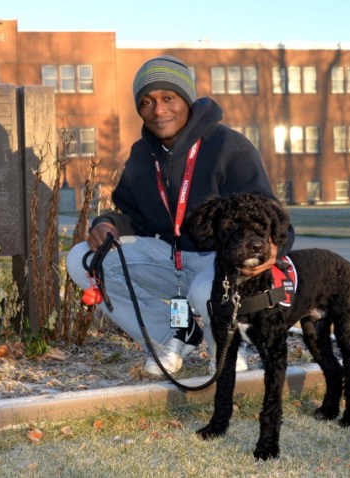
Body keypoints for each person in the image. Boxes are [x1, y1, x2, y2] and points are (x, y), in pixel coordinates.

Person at [66, 55, 295, 376]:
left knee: (205, 292)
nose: (158, 110)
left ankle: (226, 347)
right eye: (146, 102)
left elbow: (273, 219)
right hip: (170, 260)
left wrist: (274, 246)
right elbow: (132, 216)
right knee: (82, 260)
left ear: (186, 99)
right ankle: (171, 336)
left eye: (168, 98)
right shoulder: (142, 156)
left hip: (222, 262)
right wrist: (106, 224)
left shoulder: (229, 147)